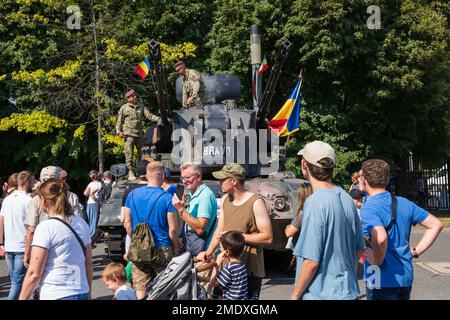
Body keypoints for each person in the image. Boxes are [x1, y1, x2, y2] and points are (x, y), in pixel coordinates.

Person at [359, 159, 443, 300]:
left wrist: (376, 261)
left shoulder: (369, 207)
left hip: (379, 278)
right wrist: (415, 251)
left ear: (364, 180)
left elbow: (381, 237)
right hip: (404, 276)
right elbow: (436, 224)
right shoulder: (404, 202)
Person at [291, 141, 365, 300]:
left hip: (320, 294)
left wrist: (295, 296)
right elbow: (359, 248)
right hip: (347, 291)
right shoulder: (346, 197)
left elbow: (311, 261)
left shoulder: (314, 202)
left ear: (304, 165)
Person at [197, 163, 273, 300]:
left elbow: (267, 237)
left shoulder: (255, 202)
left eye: (222, 179)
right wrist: (208, 252)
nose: (219, 182)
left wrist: (235, 235)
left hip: (249, 269)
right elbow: (220, 231)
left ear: (234, 181)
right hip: (226, 266)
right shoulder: (226, 199)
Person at [19, 179, 93, 300]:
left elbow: (34, 273)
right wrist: (88, 292)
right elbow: (88, 263)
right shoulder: (81, 223)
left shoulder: (45, 227)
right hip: (81, 290)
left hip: (55, 292)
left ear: (43, 200)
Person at [123, 161, 180, 299]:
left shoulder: (132, 195)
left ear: (147, 175)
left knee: (140, 289)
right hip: (162, 247)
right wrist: (176, 245)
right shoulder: (167, 198)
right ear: (161, 175)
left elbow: (127, 224)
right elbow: (172, 229)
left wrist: (137, 240)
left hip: (139, 248)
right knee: (164, 287)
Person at [24, 166, 80, 268]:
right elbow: (78, 225)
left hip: (41, 247)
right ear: (59, 178)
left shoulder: (36, 199)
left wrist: (27, 253)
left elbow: (31, 229)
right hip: (68, 247)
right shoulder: (72, 197)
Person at [0, 171, 34, 299]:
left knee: (15, 280)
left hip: (9, 246)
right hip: (22, 247)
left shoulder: (7, 199)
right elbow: (31, 227)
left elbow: (0, 222)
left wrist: (1, 243)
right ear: (26, 183)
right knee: (17, 283)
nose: (33, 184)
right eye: (32, 181)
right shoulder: (29, 200)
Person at [116, 89, 160, 180]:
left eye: (135, 95)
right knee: (129, 156)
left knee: (142, 155)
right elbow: (119, 121)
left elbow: (149, 116)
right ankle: (130, 173)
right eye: (132, 96)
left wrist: (159, 119)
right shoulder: (124, 108)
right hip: (128, 135)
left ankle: (140, 172)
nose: (135, 97)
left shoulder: (141, 106)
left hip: (139, 135)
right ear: (128, 99)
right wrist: (118, 132)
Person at [199, 231, 248, 300]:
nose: (220, 249)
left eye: (221, 248)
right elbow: (220, 279)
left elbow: (213, 283)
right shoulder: (241, 265)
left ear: (227, 252)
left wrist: (217, 263)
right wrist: (201, 278)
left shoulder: (229, 268)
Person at [83, 170, 102, 238]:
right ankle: (92, 237)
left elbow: (85, 194)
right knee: (94, 221)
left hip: (89, 203)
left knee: (90, 220)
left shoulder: (90, 184)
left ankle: (89, 236)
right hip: (95, 203)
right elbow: (91, 194)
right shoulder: (100, 184)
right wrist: (97, 201)